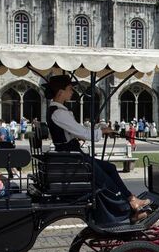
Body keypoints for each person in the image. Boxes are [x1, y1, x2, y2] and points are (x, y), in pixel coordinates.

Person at [46, 75, 151, 222]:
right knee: (104, 180)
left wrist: (96, 129)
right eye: (69, 89)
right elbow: (82, 132)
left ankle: (131, 198)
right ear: (60, 92)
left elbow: (76, 130)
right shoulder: (59, 112)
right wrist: (101, 131)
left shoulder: (57, 111)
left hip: (72, 155)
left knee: (110, 168)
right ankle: (128, 210)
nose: (72, 93)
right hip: (72, 158)